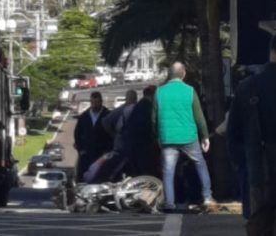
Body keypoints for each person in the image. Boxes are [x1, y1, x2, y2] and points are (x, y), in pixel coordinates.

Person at [227, 31, 276, 236]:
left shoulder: (248, 87)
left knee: (262, 225)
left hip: (259, 171)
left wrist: (244, 164)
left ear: (273, 51)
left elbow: (233, 133)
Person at [152, 62, 214, 211]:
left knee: (168, 171)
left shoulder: (159, 92)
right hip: (189, 137)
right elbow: (199, 117)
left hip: (168, 137)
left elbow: (153, 119)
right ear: (183, 74)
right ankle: (207, 197)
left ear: (169, 75)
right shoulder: (189, 91)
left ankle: (169, 203)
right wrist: (205, 136)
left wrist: (158, 137)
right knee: (200, 164)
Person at [82, 90, 137, 183]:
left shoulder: (120, 109)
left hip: (118, 145)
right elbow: (106, 121)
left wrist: (113, 134)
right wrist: (113, 134)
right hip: (124, 145)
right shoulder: (130, 109)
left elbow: (105, 121)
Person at [123, 85, 160, 177]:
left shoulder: (139, 106)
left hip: (133, 146)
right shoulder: (148, 108)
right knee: (147, 174)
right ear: (152, 95)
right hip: (143, 147)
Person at [74, 91, 111, 182]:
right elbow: (77, 134)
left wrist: (108, 151)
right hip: (86, 154)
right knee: (83, 177)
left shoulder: (108, 115)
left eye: (96, 103)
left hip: (101, 154)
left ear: (101, 102)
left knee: (100, 177)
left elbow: (112, 135)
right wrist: (81, 149)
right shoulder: (84, 116)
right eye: (92, 103)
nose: (94, 105)